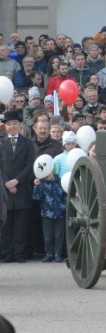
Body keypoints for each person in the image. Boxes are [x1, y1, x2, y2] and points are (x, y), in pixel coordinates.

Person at [1, 109, 35, 262]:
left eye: (15, 123)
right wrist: (6, 182)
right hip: (4, 189)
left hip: (22, 189)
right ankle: (7, 253)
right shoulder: (1, 143)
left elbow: (30, 165)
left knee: (21, 225)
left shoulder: (28, 143)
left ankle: (19, 253)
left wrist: (17, 181)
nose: (12, 127)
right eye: (9, 124)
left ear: (20, 125)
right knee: (6, 224)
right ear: (5, 126)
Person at [32, 168, 66, 262]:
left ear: (53, 172)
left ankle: (58, 254)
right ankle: (48, 254)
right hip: (46, 213)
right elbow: (36, 197)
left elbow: (65, 196)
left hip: (59, 213)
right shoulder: (42, 183)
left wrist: (63, 207)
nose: (47, 175)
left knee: (59, 235)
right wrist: (36, 186)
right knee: (47, 236)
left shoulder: (60, 182)